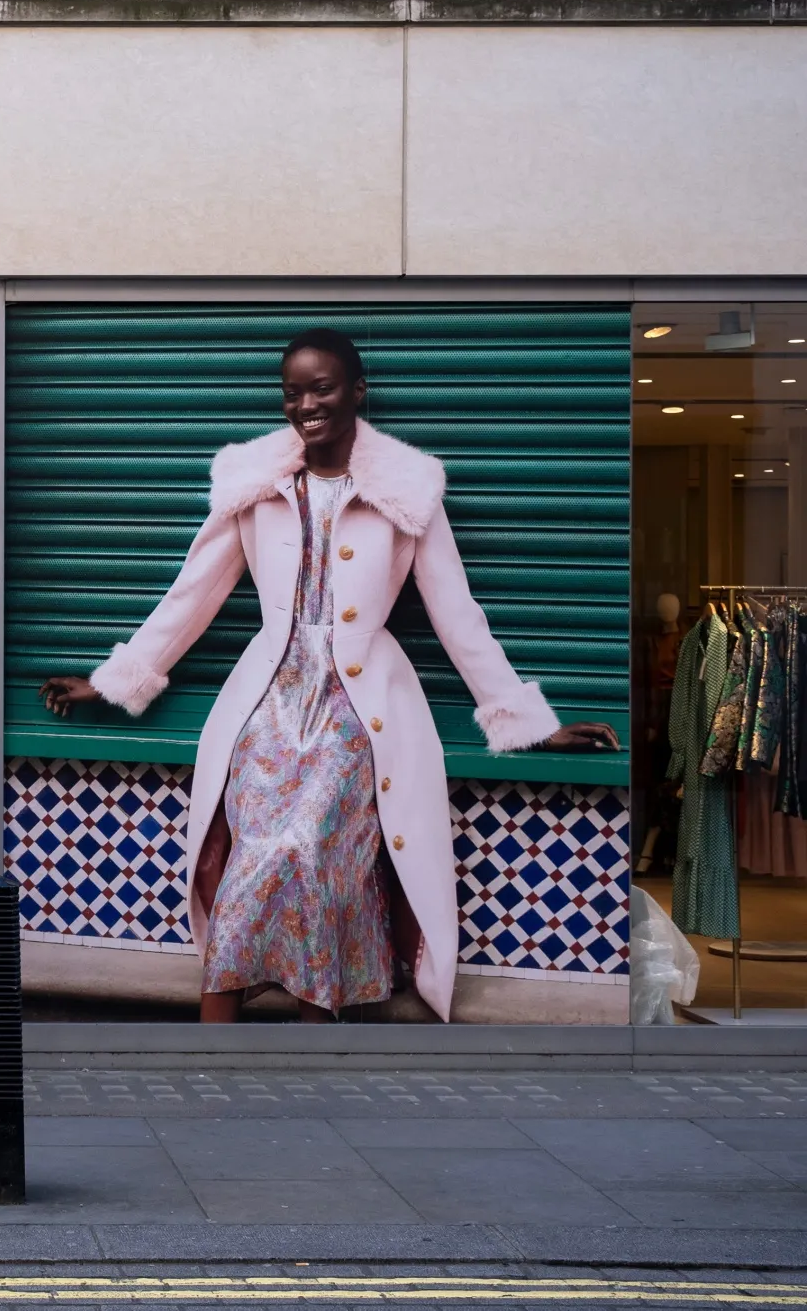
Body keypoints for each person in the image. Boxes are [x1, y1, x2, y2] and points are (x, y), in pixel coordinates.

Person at [40, 329, 617, 1025]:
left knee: (318, 858)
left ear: (357, 392)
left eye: (322, 387)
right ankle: (206, 1053)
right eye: (293, 391)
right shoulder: (255, 487)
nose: (305, 403)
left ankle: (318, 1049)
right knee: (255, 858)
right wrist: (114, 678)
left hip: (359, 710)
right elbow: (191, 592)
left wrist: (528, 720)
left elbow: (458, 613)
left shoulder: (407, 494)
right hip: (269, 706)